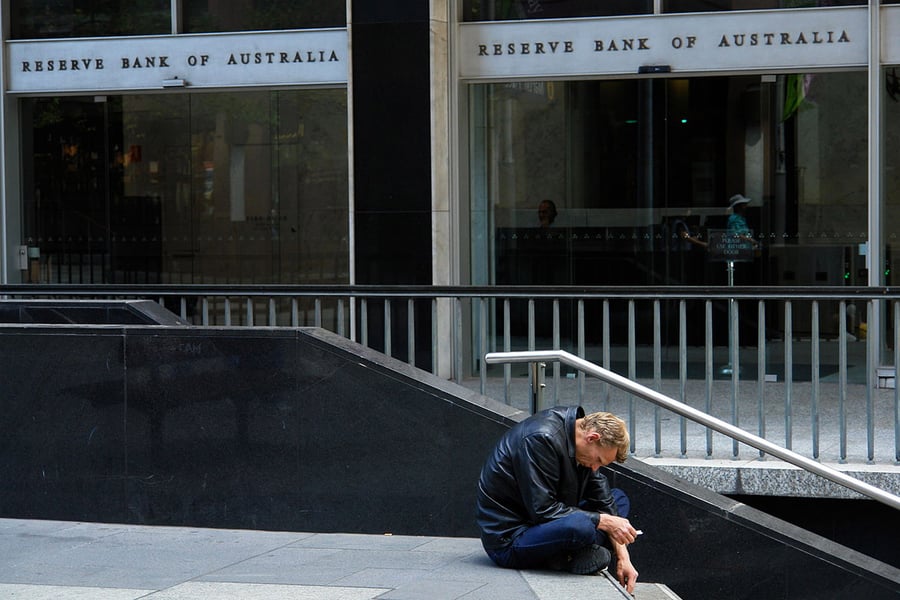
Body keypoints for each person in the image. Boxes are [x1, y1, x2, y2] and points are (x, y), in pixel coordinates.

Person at [476, 406, 640, 593]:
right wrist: (603, 521)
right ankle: (565, 556)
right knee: (583, 526)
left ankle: (565, 553)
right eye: (599, 460)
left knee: (618, 499)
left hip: (548, 521)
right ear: (592, 438)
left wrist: (623, 557)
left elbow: (604, 503)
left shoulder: (579, 440)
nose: (595, 468)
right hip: (511, 539)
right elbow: (543, 511)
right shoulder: (540, 439)